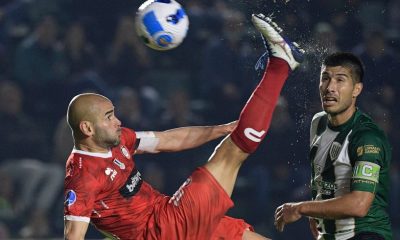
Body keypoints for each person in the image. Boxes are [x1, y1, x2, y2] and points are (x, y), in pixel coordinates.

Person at [64, 13, 304, 240]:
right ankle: (279, 65)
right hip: (167, 230)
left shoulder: (117, 140)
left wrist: (219, 130)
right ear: (87, 128)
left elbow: (169, 140)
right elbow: (73, 235)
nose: (117, 121)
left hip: (168, 215)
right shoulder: (83, 178)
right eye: (108, 117)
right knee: (234, 150)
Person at [274, 52, 392, 239]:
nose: (330, 87)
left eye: (340, 80)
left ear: (356, 89)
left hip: (366, 234)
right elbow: (322, 174)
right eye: (325, 78)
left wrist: (302, 208)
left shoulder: (366, 136)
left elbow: (359, 204)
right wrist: (316, 210)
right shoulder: (318, 122)